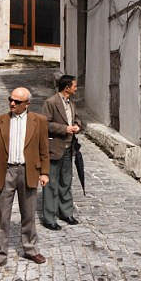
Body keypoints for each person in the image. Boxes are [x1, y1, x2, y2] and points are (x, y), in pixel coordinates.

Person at [0, 87, 50, 272]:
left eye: (17, 102)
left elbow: (44, 149)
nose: (12, 104)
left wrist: (44, 173)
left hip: (28, 171)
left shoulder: (39, 121)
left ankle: (30, 249)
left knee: (29, 213)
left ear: (27, 104)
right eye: (10, 100)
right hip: (5, 172)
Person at [41, 75, 82, 230]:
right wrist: (65, 129)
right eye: (74, 86)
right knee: (51, 183)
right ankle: (49, 217)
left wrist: (77, 125)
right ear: (67, 88)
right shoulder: (51, 103)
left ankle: (66, 213)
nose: (76, 88)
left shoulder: (71, 103)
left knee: (66, 181)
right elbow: (45, 123)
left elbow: (77, 118)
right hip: (54, 148)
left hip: (68, 148)